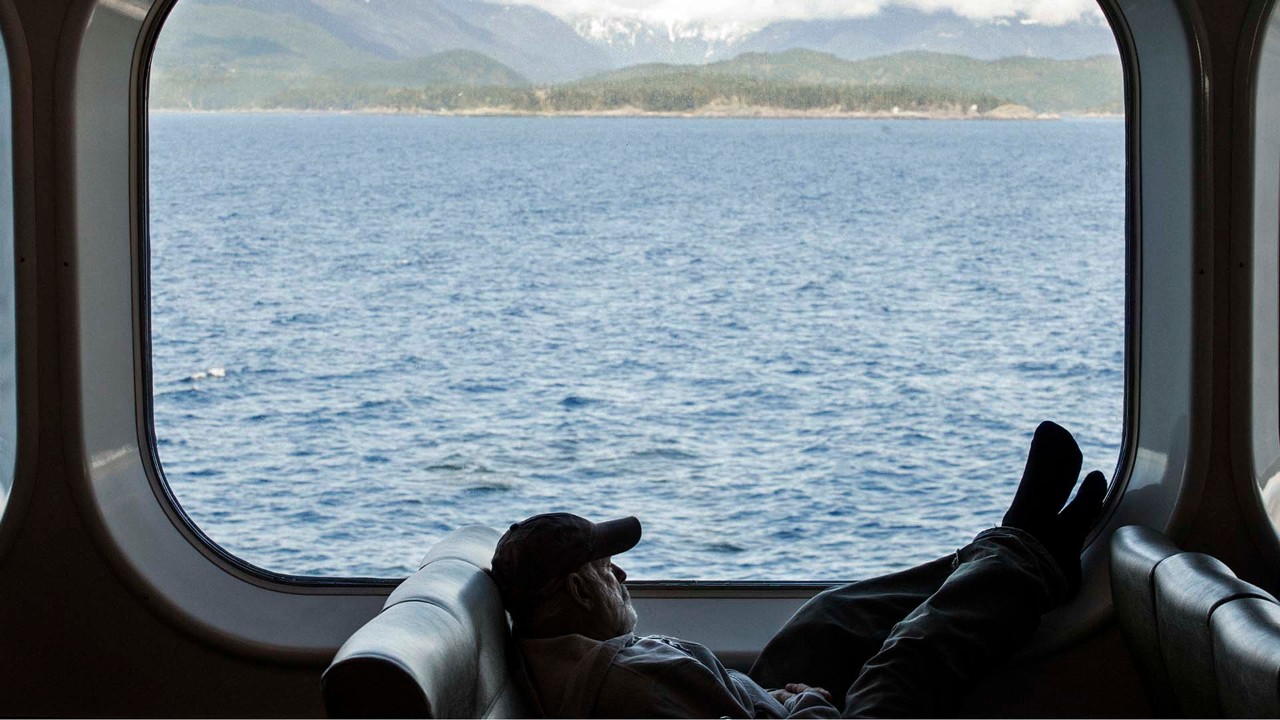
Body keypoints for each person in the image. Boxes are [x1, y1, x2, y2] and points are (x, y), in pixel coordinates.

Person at [488, 421, 1108, 718]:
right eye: (608, 568)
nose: (623, 579)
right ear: (576, 586)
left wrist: (772, 694)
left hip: (767, 710)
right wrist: (809, 706)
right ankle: (1025, 555)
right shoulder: (623, 689)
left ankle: (1009, 548)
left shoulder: (576, 656)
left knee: (824, 621)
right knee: (906, 662)